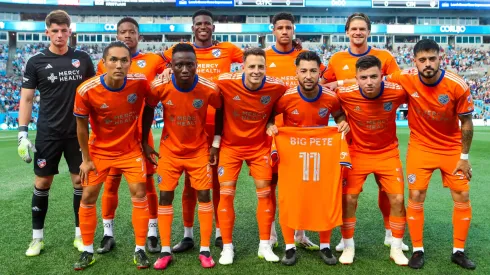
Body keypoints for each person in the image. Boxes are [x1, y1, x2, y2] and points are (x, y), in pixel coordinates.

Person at [386, 39, 476, 270]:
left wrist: (464, 158)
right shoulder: (405, 78)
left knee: (462, 195)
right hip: (420, 147)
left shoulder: (457, 84)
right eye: (423, 60)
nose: (428, 64)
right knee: (416, 195)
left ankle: (458, 251)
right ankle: (417, 250)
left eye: (432, 58)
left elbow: (466, 122)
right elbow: (373, 80)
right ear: (414, 61)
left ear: (440, 58)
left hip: (451, 148)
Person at [323, 12, 408, 252]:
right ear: (347, 32)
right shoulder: (337, 59)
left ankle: (390, 231)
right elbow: (324, 85)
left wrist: (342, 83)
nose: (358, 32)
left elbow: (397, 83)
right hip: (350, 140)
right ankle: (345, 238)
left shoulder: (385, 56)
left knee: (387, 190)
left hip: (382, 138)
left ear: (369, 32)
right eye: (354, 29)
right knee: (348, 194)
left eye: (362, 29)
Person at [161, 9, 243, 252]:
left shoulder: (228, 50)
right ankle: (188, 234)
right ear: (192, 27)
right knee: (188, 186)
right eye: (199, 23)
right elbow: (161, 62)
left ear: (213, 27)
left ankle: (219, 232)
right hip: (189, 129)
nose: (203, 26)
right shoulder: (180, 51)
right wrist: (164, 69)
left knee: (215, 184)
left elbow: (255, 59)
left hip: (219, 128)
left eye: (208, 23)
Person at [18, 10, 95, 257]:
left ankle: (80, 235)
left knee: (79, 182)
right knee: (42, 182)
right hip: (48, 133)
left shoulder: (82, 59)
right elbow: (27, 98)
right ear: (47, 32)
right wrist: (22, 133)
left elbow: (94, 94)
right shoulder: (35, 61)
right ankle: (36, 239)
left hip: (78, 133)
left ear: (70, 31)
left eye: (64, 30)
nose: (60, 35)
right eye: (55, 30)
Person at [73, 41, 152, 270]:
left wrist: (145, 141)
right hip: (99, 151)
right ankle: (87, 251)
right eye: (114, 60)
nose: (119, 65)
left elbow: (150, 105)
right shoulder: (86, 90)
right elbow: (81, 127)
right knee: (88, 196)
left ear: (130, 63)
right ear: (104, 63)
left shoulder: (140, 83)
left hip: (130, 150)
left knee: (139, 193)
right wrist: (86, 159)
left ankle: (140, 250)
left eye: (124, 60)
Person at [141, 43, 221, 270]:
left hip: (198, 151)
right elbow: (148, 107)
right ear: (171, 66)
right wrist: (144, 143)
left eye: (189, 64)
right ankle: (165, 251)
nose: (184, 69)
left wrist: (215, 142)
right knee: (165, 197)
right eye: (179, 65)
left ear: (197, 65)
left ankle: (205, 249)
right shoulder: (160, 85)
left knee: (204, 194)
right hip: (170, 151)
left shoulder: (208, 88)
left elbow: (221, 109)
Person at [266, 51, 349, 265]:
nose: (308, 76)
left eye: (313, 71)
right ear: (296, 73)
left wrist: (341, 123)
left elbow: (339, 115)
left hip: (322, 155)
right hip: (292, 156)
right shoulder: (286, 97)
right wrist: (270, 126)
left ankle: (325, 246)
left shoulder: (330, 97)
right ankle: (290, 247)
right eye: (303, 71)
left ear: (320, 72)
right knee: (289, 198)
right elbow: (268, 117)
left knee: (324, 197)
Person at [95, 17, 166, 254]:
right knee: (110, 184)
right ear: (117, 35)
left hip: (141, 134)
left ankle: (153, 233)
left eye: (132, 32)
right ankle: (107, 233)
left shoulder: (153, 60)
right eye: (122, 32)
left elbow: (166, 81)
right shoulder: (103, 63)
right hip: (114, 136)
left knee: (147, 184)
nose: (127, 35)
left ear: (139, 35)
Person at [213, 48, 288, 265]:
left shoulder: (276, 86)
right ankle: (227, 247)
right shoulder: (226, 81)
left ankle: (265, 245)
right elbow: (202, 86)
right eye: (252, 66)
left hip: (258, 149)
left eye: (260, 67)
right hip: (230, 148)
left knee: (265, 195)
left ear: (266, 67)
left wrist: (272, 121)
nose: (256, 71)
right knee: (226, 195)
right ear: (242, 67)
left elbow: (288, 99)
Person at [335, 55, 409, 266]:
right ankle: (348, 245)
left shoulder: (396, 92)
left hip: (387, 153)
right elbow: (330, 103)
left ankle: (396, 247)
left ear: (382, 76)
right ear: (356, 78)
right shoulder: (345, 94)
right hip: (357, 153)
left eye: (374, 76)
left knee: (396, 199)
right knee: (348, 199)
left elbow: (417, 95)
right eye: (364, 77)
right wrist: (341, 119)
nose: (369, 82)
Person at [264, 12, 328, 250]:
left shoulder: (304, 58)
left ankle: (300, 235)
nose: (284, 31)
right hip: (273, 134)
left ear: (293, 30)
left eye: (288, 27)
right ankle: (270, 235)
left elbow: (327, 82)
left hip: (302, 137)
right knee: (269, 187)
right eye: (279, 27)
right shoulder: (264, 57)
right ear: (273, 30)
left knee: (302, 188)